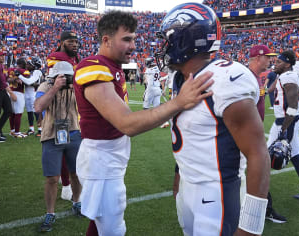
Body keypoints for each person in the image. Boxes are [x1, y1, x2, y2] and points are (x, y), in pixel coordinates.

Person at [73, 10, 213, 236]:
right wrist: (179, 102)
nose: (133, 46)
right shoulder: (93, 66)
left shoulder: (112, 66)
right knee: (112, 229)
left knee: (102, 224)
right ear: (106, 40)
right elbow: (127, 124)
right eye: (126, 39)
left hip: (110, 156)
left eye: (134, 39)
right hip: (101, 159)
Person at [157, 4, 269, 235]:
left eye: (168, 41)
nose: (163, 48)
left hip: (216, 192)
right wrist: (180, 179)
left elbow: (258, 153)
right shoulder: (181, 78)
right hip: (189, 186)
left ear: (186, 42)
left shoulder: (225, 80)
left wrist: (251, 224)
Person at [34, 61, 83, 232]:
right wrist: (55, 88)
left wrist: (75, 84)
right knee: (52, 178)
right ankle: (50, 213)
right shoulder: (45, 85)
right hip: (50, 135)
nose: (65, 79)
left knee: (76, 173)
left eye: (67, 76)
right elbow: (38, 106)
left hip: (74, 133)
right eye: (62, 76)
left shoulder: (76, 85)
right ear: (54, 76)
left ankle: (77, 202)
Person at [266, 50, 299, 201]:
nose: (275, 64)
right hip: (288, 119)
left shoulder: (288, 76)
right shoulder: (283, 75)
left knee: (265, 156)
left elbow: (293, 105)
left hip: (286, 120)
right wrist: (262, 92)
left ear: (287, 64)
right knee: (295, 154)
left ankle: (261, 197)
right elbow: (273, 88)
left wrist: (284, 129)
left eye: (279, 62)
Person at [247, 45, 287, 223]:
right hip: (246, 135)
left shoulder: (255, 78)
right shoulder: (247, 78)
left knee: (256, 172)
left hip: (252, 133)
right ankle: (263, 210)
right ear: (258, 58)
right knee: (260, 171)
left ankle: (263, 209)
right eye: (268, 57)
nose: (271, 60)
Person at [46, 31, 80, 202]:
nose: (74, 44)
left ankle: (66, 180)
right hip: (60, 106)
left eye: (76, 41)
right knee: (64, 145)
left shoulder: (74, 59)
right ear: (61, 42)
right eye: (70, 41)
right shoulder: (56, 57)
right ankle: (66, 186)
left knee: (71, 147)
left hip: (73, 107)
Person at [18, 57, 43, 135]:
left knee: (36, 112)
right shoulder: (30, 71)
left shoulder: (37, 71)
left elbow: (29, 82)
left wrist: (19, 76)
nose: (28, 65)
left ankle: (40, 129)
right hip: (28, 93)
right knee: (29, 112)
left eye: (30, 64)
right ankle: (31, 129)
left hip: (34, 93)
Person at [7, 58, 30, 138]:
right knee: (18, 113)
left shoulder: (11, 69)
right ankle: (17, 132)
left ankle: (12, 131)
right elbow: (28, 80)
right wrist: (17, 79)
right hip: (18, 93)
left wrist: (14, 79)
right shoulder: (24, 71)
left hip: (10, 92)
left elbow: (8, 79)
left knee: (12, 113)